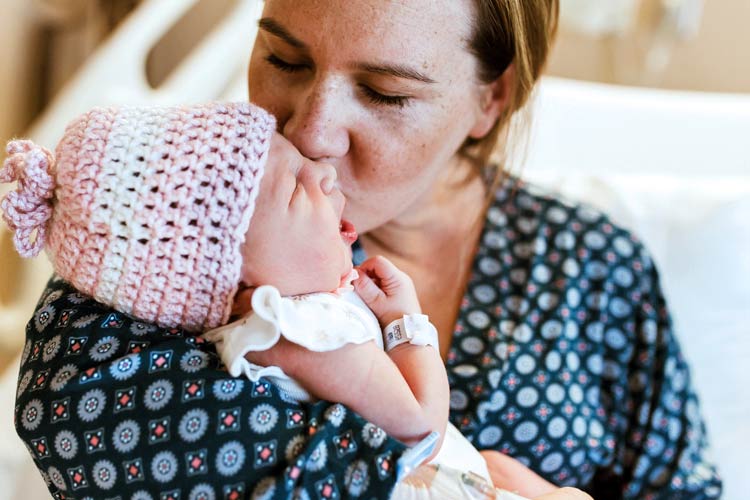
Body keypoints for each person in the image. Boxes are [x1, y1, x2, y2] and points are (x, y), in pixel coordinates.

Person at [10, 0, 721, 499]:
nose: (313, 133)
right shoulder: (164, 232)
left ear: (491, 99)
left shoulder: (594, 266)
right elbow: (71, 413)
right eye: (283, 57)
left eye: (384, 93)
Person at [2, 100, 497, 495]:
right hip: (426, 481)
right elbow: (422, 433)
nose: (324, 172)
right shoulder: (305, 333)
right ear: (245, 288)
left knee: (501, 467)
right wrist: (407, 323)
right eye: (297, 190)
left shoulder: (298, 312)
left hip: (456, 470)